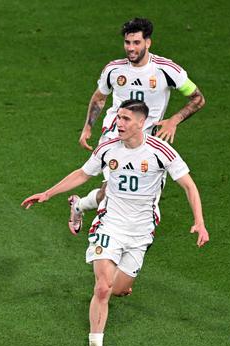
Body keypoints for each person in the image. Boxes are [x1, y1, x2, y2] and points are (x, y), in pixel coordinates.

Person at [22, 100, 209, 346]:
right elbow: (82, 174)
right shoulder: (108, 149)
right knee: (102, 287)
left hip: (141, 232)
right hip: (109, 225)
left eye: (125, 119)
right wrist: (48, 193)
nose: (119, 123)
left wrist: (199, 222)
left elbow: (189, 186)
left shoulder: (160, 151)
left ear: (141, 123)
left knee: (119, 289)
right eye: (118, 117)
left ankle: (117, 281)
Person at [69, 17, 206, 236]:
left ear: (148, 43)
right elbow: (99, 99)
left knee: (114, 191)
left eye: (136, 43)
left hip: (149, 141)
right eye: (127, 43)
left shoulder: (167, 70)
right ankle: (107, 243)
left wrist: (174, 120)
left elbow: (198, 99)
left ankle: (79, 206)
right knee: (115, 191)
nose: (131, 48)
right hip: (116, 134)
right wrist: (88, 128)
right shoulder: (114, 70)